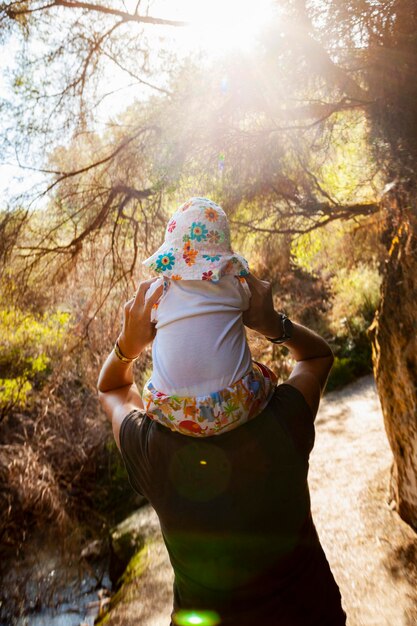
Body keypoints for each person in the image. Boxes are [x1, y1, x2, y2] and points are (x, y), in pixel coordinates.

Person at [97, 273, 347, 626]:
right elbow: (318, 356)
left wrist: (127, 345)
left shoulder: (152, 450)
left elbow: (112, 390)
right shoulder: (283, 420)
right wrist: (271, 323)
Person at [132, 196, 277, 437]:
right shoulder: (233, 285)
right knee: (262, 374)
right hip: (236, 405)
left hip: (171, 411)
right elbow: (248, 306)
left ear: (170, 255)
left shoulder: (160, 290)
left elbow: (150, 322)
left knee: (151, 383)